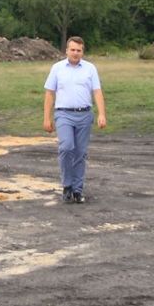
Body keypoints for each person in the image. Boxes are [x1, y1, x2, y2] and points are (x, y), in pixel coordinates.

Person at [43, 36, 107, 204]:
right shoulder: (57, 68)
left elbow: (97, 92)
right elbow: (49, 93)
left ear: (82, 51)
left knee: (80, 153)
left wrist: (101, 114)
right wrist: (46, 118)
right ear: (66, 50)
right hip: (63, 114)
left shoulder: (90, 69)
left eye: (79, 50)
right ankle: (67, 185)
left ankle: (77, 190)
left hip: (84, 115)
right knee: (66, 147)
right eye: (72, 50)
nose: (75, 53)